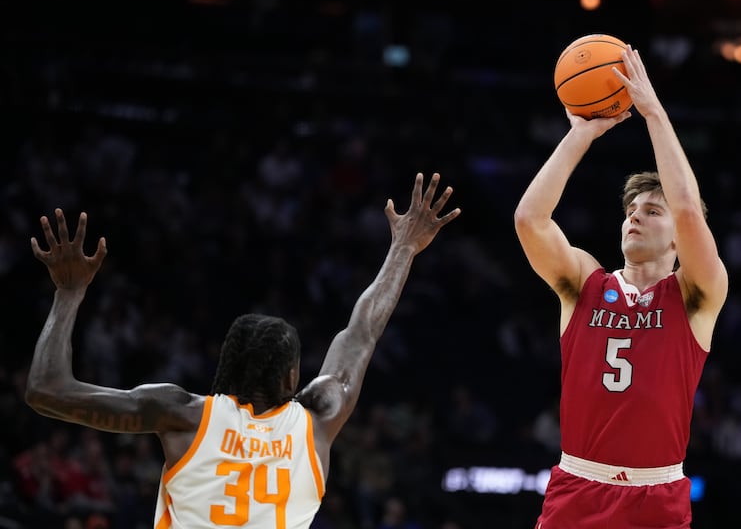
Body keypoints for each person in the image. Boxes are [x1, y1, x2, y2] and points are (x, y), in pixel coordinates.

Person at [24, 172, 460, 528]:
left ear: (226, 362)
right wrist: (404, 248)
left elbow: (46, 390)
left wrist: (68, 292)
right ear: (292, 377)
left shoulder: (181, 413)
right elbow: (362, 331)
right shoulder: (318, 419)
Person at [514, 46, 728, 528]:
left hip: (658, 494)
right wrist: (580, 134)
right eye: (631, 211)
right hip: (578, 487)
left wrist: (653, 111)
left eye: (652, 211)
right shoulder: (583, 284)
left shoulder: (697, 294)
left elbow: (690, 211)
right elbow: (530, 219)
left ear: (677, 236)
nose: (635, 217)